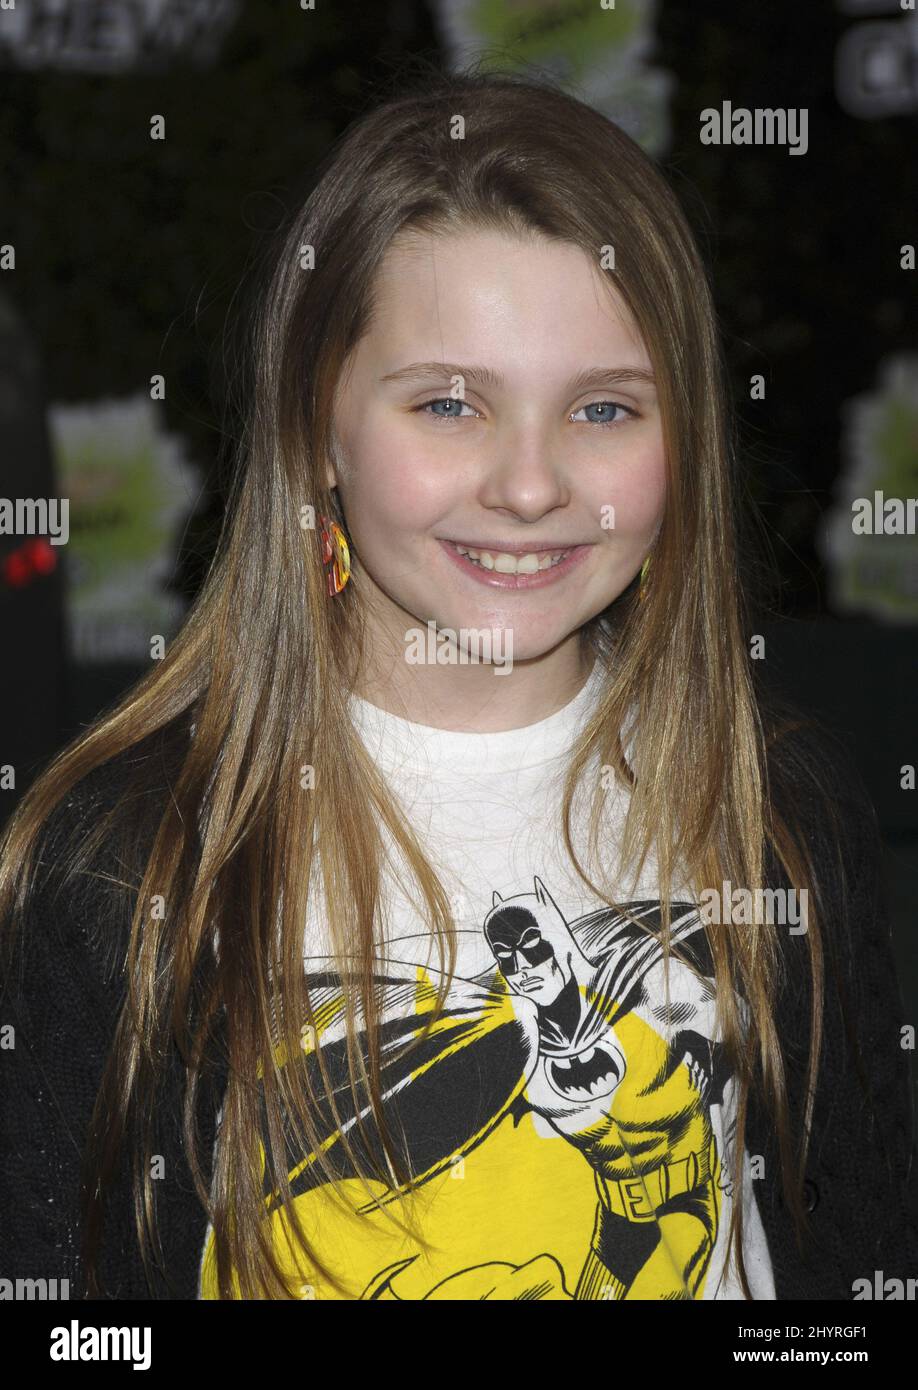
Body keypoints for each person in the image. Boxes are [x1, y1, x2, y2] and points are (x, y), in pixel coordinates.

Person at [1, 67, 915, 1303]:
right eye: (448, 402)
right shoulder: (125, 867)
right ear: (314, 426)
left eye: (601, 408)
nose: (530, 486)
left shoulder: (782, 820)